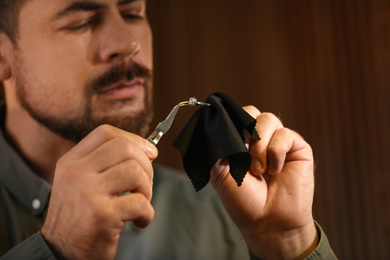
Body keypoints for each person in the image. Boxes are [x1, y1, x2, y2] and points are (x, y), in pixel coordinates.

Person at [0, 0, 337, 259]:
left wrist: (285, 243)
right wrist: (56, 251)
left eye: (133, 13)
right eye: (81, 22)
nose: (129, 43)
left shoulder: (220, 217)